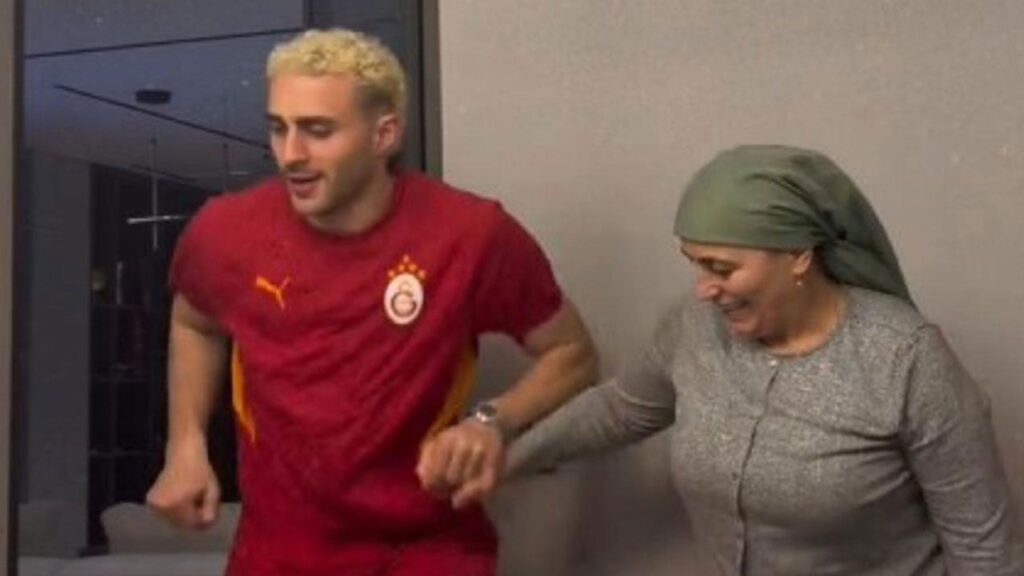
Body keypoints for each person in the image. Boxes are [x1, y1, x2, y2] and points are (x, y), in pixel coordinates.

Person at [425, 145, 1024, 575]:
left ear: (798, 256)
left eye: (722, 268)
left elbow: (983, 547)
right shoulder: (693, 331)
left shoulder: (907, 359)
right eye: (695, 264)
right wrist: (506, 456)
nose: (704, 289)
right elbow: (621, 410)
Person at [145, 28, 597, 575]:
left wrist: (490, 422)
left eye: (318, 131)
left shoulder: (472, 235)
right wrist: (185, 445)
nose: (291, 155)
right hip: (277, 552)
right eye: (279, 128)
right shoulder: (224, 232)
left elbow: (572, 354)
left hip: (425, 549)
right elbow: (196, 323)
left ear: (384, 134)